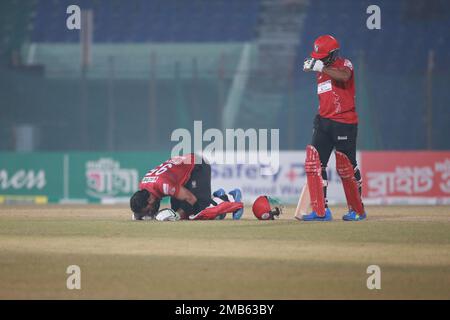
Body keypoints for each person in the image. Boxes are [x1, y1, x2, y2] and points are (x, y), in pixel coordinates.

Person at [302, 34, 366, 221]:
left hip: (344, 123)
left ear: (332, 54)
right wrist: (316, 65)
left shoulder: (345, 64)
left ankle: (357, 210)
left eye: (321, 56)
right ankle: (321, 211)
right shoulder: (321, 69)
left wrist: (321, 67)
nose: (318, 59)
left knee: (347, 167)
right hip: (323, 122)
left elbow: (344, 77)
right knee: (314, 163)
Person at [129, 153, 244, 220]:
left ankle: (231, 197)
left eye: (148, 210)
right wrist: (139, 215)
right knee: (182, 214)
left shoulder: (164, 185)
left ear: (149, 199)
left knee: (199, 212)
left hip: (198, 165)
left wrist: (177, 216)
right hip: (182, 174)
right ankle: (215, 198)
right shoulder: (144, 186)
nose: (150, 213)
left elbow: (190, 199)